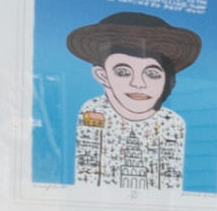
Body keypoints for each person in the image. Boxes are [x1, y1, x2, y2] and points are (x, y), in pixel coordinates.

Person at [64, 11, 202, 192]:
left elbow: (171, 186)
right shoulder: (93, 111)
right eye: (123, 72)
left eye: (152, 74)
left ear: (166, 79)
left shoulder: (172, 123)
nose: (138, 83)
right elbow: (87, 177)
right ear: (102, 75)